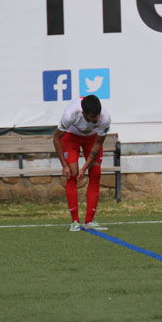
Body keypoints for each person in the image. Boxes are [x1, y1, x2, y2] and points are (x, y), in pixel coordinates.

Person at [52, 94, 112, 232]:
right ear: (84, 113)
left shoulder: (105, 118)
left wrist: (85, 167)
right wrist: (64, 165)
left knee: (95, 173)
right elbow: (56, 138)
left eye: (98, 115)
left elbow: (98, 144)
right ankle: (75, 221)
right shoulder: (70, 114)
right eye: (93, 117)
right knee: (72, 174)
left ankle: (89, 221)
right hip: (71, 138)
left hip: (92, 139)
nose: (97, 119)